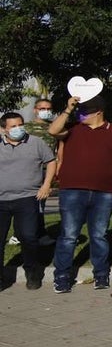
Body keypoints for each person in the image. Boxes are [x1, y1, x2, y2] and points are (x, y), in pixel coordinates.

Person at [48, 94, 112, 293]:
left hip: (104, 191)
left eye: (84, 111)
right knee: (69, 235)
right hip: (72, 190)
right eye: (79, 110)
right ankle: (61, 277)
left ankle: (101, 275)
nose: (81, 114)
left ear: (98, 112)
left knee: (99, 235)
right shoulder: (72, 128)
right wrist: (68, 109)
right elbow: (53, 130)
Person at [0, 112, 56, 290]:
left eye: (20, 125)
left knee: (28, 236)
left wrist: (46, 185)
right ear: (4, 129)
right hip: (1, 200)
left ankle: (32, 271)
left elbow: (51, 161)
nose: (18, 129)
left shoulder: (36, 143)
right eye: (13, 126)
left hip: (27, 198)